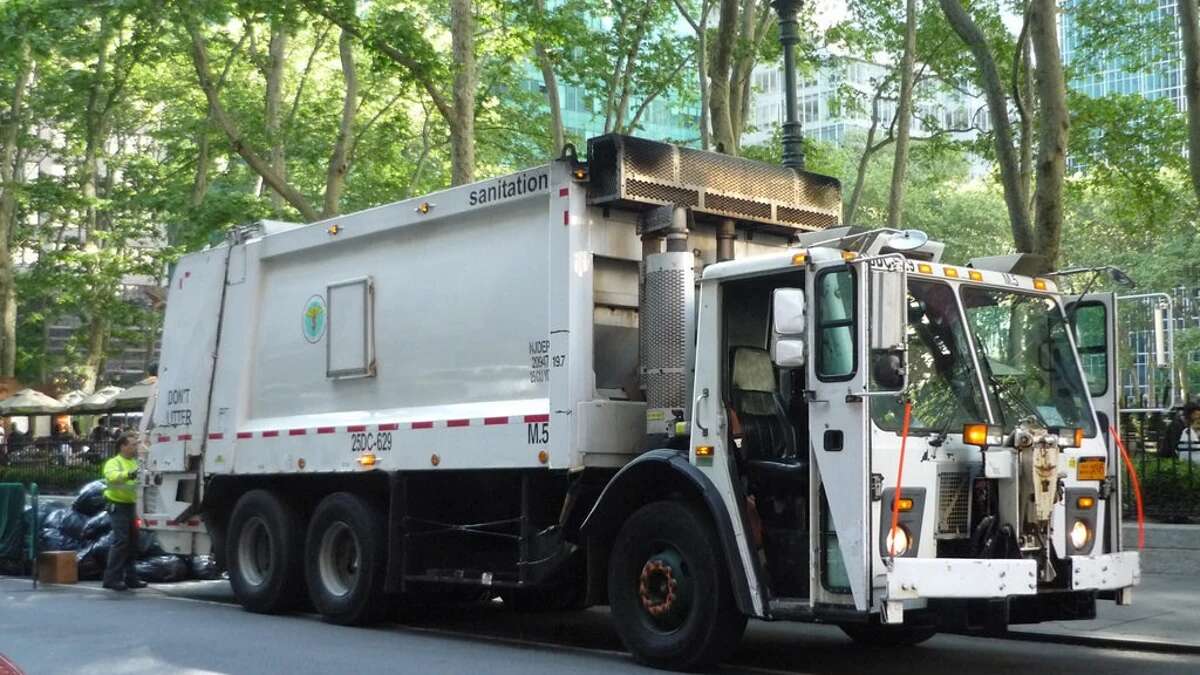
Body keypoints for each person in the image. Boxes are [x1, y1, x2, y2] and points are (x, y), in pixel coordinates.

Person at [101, 432, 147, 591]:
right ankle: (111, 578)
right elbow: (112, 477)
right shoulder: (114, 462)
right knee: (121, 541)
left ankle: (131, 577)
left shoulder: (135, 462)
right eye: (133, 444)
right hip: (117, 505)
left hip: (132, 506)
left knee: (133, 542)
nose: (135, 447)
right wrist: (130, 474)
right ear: (123, 446)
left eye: (136, 444)